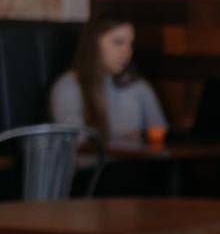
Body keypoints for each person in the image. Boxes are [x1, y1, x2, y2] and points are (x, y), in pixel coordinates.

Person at [50, 13, 167, 141]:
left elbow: (160, 135)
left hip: (137, 161)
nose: (127, 52)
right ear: (94, 43)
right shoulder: (69, 87)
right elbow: (76, 145)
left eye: (130, 44)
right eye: (118, 42)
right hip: (96, 161)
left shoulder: (138, 86)